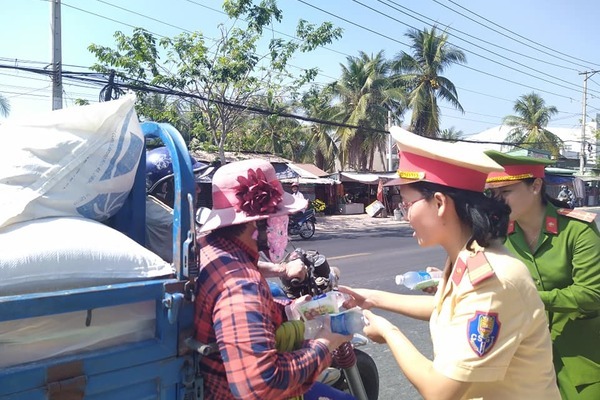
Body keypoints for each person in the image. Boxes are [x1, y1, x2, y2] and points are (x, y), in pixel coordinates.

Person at [340, 127, 561, 400]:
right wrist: (371, 298)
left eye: (408, 203)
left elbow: (440, 391)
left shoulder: (493, 280)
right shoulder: (468, 254)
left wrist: (388, 331)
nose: (404, 214)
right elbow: (449, 308)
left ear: (441, 203)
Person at [194, 158, 353, 400]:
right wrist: (325, 344)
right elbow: (260, 386)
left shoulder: (211, 248)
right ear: (258, 222)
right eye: (279, 218)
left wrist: (288, 311)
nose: (283, 226)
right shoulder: (242, 285)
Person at [484, 150, 600, 400]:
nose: (497, 201)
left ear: (536, 186)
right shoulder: (500, 237)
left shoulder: (577, 230)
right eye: (493, 194)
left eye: (506, 192)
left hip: (581, 359)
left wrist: (530, 296)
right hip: (525, 362)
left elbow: (592, 294)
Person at [145, 146, 213, 263]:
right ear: (166, 188)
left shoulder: (143, 207)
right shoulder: (173, 223)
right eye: (189, 183)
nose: (198, 189)